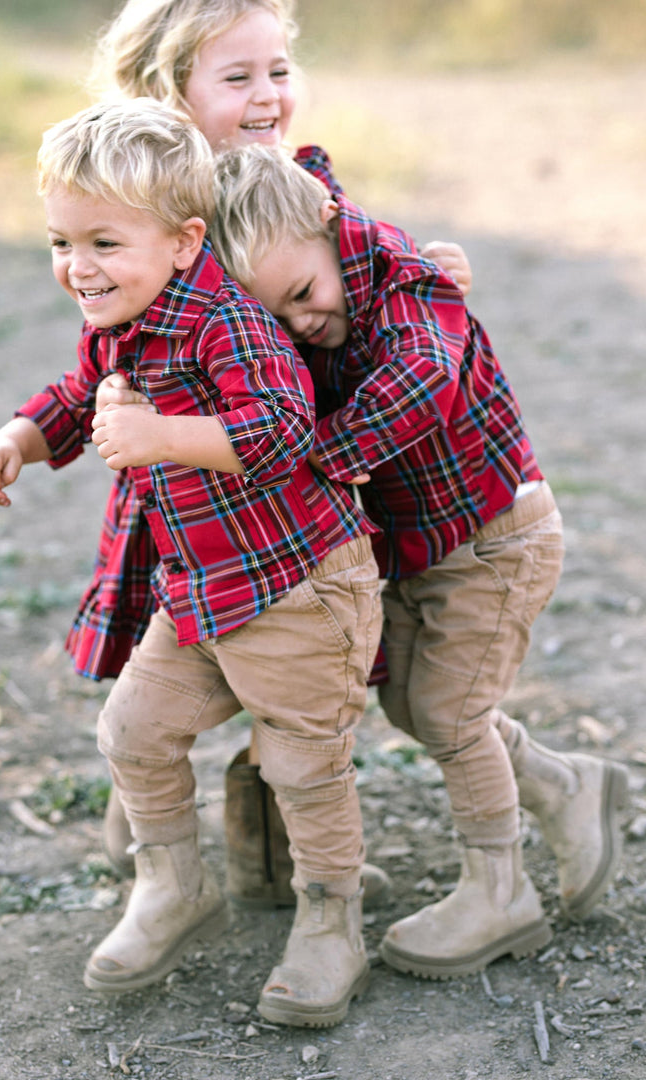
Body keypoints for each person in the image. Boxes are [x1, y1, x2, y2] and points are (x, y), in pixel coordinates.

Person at [0, 99, 384, 1028]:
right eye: (59, 241)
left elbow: (283, 430)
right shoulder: (120, 319)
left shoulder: (225, 323)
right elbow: (81, 394)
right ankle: (171, 885)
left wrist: (161, 432)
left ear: (186, 241)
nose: (78, 267)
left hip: (298, 587)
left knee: (302, 764)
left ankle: (331, 918)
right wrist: (21, 436)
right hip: (200, 591)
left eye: (104, 242)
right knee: (132, 731)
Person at [82, 0, 473, 907]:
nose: (268, 97)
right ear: (163, 93)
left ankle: (277, 857)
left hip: (290, 487)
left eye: (279, 72)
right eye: (237, 77)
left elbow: (355, 283)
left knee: (289, 670)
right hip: (187, 489)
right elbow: (102, 330)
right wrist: (87, 403)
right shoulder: (146, 216)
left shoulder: (299, 189)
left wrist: (424, 271)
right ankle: (149, 821)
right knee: (176, 653)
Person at [207, 142, 631, 978]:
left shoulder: (406, 281)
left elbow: (423, 377)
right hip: (431, 547)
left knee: (448, 713)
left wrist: (318, 453)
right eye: (279, 317)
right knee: (409, 699)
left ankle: (499, 891)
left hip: (497, 536)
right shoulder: (307, 277)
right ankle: (563, 786)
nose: (303, 324)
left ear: (329, 226)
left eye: (305, 296)